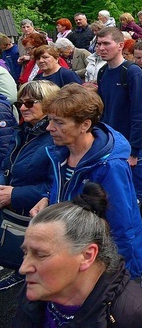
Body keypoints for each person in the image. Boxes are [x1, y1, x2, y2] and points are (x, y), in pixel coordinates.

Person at [31, 84, 142, 278]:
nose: (50, 128)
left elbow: (122, 226)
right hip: (69, 254)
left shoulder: (109, 167)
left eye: (59, 122)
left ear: (85, 125)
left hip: (96, 266)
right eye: (50, 120)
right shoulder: (61, 153)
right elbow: (64, 187)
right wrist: (47, 199)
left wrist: (124, 277)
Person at [15, 184, 142, 326]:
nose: (24, 268)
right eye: (25, 253)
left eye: (40, 255)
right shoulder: (35, 291)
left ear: (87, 255)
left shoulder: (139, 317)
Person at [0, 81, 59, 290]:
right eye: (20, 103)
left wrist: (15, 195)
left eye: (29, 102)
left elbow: (58, 186)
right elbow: (8, 165)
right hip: (15, 214)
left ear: (49, 104)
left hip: (34, 217)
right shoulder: (23, 131)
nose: (23, 108)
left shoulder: (55, 139)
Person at [95, 27, 142, 201]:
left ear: (120, 45)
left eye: (106, 43)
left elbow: (141, 114)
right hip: (110, 145)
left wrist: (134, 151)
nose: (101, 48)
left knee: (137, 198)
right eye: (98, 44)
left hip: (131, 149)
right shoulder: (103, 72)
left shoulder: (132, 73)